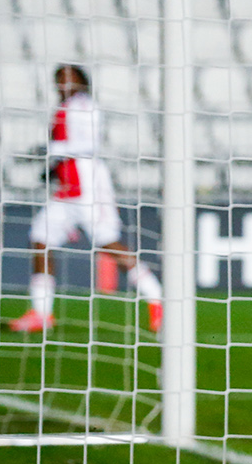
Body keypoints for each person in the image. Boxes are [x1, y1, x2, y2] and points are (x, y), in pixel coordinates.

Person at [9, 64, 163, 334]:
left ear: (82, 81)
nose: (63, 83)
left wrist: (51, 150)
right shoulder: (65, 108)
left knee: (108, 243)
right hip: (67, 189)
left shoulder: (83, 106)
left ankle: (157, 299)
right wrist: (52, 168)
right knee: (40, 238)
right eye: (59, 79)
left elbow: (90, 145)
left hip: (89, 186)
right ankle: (41, 312)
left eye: (69, 78)